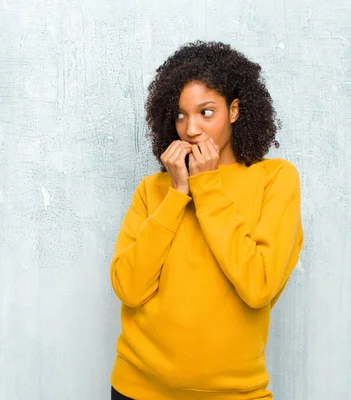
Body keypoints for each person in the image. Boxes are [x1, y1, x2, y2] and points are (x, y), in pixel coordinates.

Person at [108, 41, 304, 400]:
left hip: (234, 393)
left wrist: (206, 186)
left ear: (234, 111)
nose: (191, 129)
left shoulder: (275, 179)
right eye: (181, 115)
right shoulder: (153, 189)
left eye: (206, 112)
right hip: (138, 388)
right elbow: (129, 288)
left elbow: (258, 286)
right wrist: (177, 195)